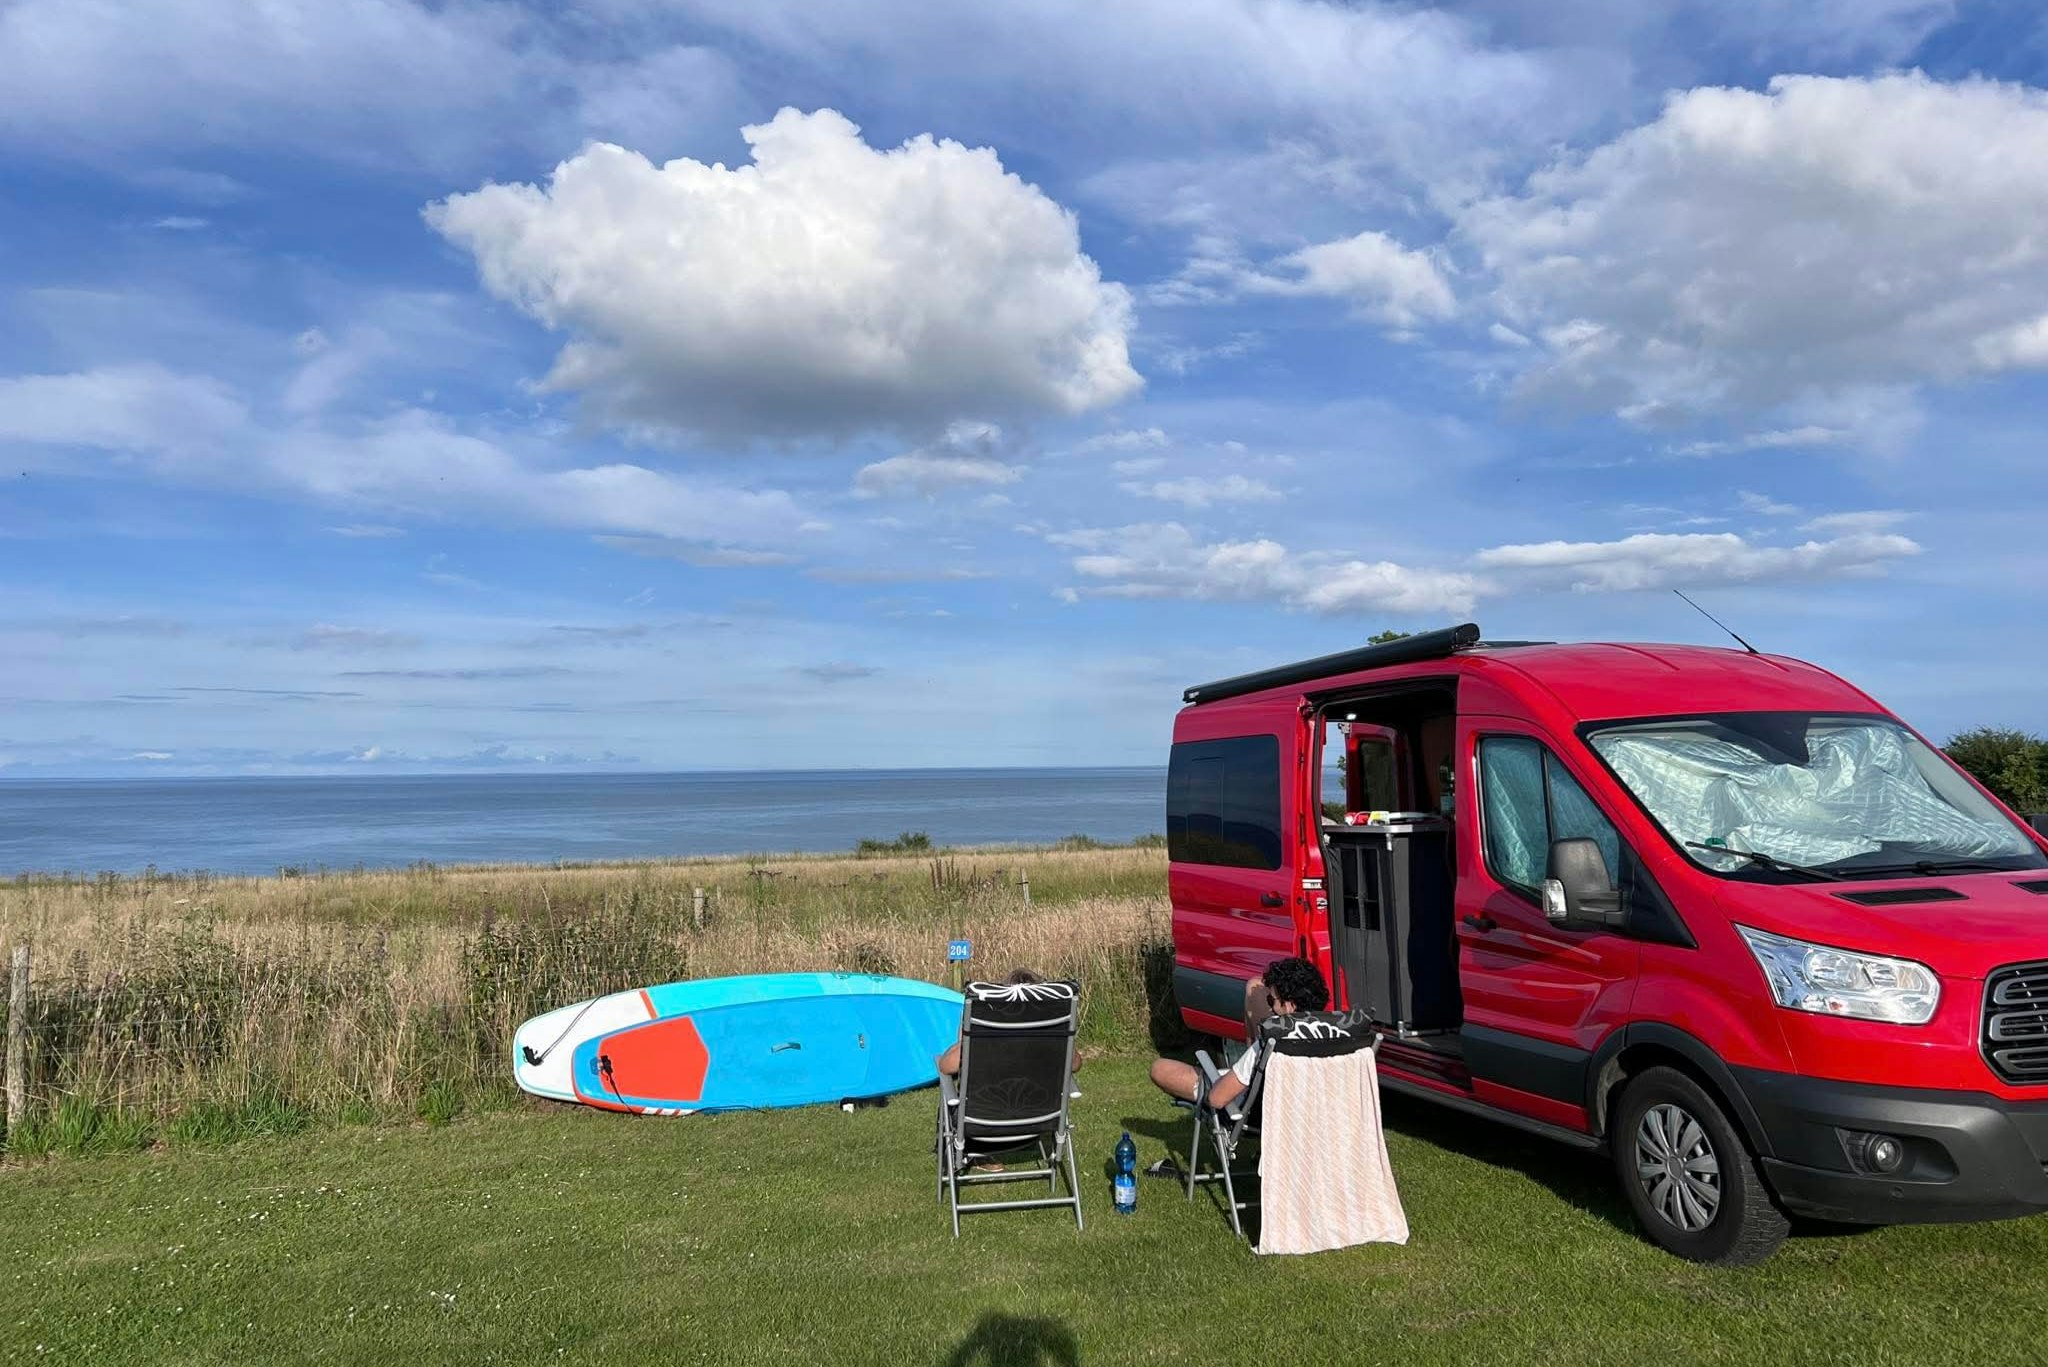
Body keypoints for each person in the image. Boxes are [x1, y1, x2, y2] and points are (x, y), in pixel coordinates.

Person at [1149, 956, 1329, 1112]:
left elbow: (1217, 1099)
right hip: (1308, 1110)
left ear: (1290, 1005)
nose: (1270, 1007)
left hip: (1252, 1105)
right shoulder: (1335, 1037)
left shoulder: (1271, 1043)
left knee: (1160, 1068)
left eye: (1271, 1000)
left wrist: (1218, 1079)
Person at [935, 968, 1083, 1078]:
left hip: (990, 1116)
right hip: (1043, 1116)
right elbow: (1075, 1064)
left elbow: (945, 1066)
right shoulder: (1051, 1039)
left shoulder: (987, 1041)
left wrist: (963, 1040)